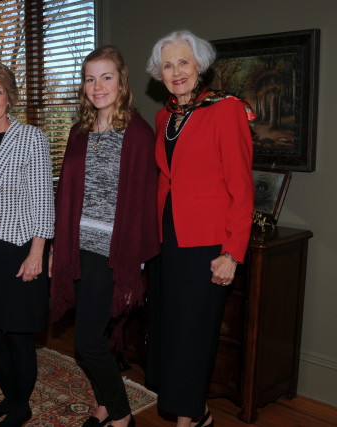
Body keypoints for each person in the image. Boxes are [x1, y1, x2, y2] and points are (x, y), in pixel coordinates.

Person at [145, 30, 255, 427]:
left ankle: (187, 420)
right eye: (168, 65)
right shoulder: (164, 116)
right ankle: (200, 413)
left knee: (194, 334)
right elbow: (164, 180)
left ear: (199, 66)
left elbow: (242, 189)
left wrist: (232, 252)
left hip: (208, 244)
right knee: (171, 331)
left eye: (183, 62)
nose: (176, 71)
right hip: (167, 241)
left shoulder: (227, 110)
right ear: (160, 73)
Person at [49, 45, 159, 427]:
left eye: (106, 77)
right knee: (101, 335)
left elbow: (146, 199)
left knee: (87, 342)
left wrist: (136, 258)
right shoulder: (79, 132)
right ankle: (102, 405)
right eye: (90, 78)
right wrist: (56, 247)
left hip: (112, 253)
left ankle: (122, 416)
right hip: (77, 248)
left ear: (121, 81)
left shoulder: (139, 133)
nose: (97, 86)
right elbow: (65, 191)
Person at [0, 61, 55, 427]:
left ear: (10, 97)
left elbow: (43, 200)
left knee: (18, 335)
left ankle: (18, 407)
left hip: (19, 249)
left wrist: (38, 252)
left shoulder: (31, 137)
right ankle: (16, 399)